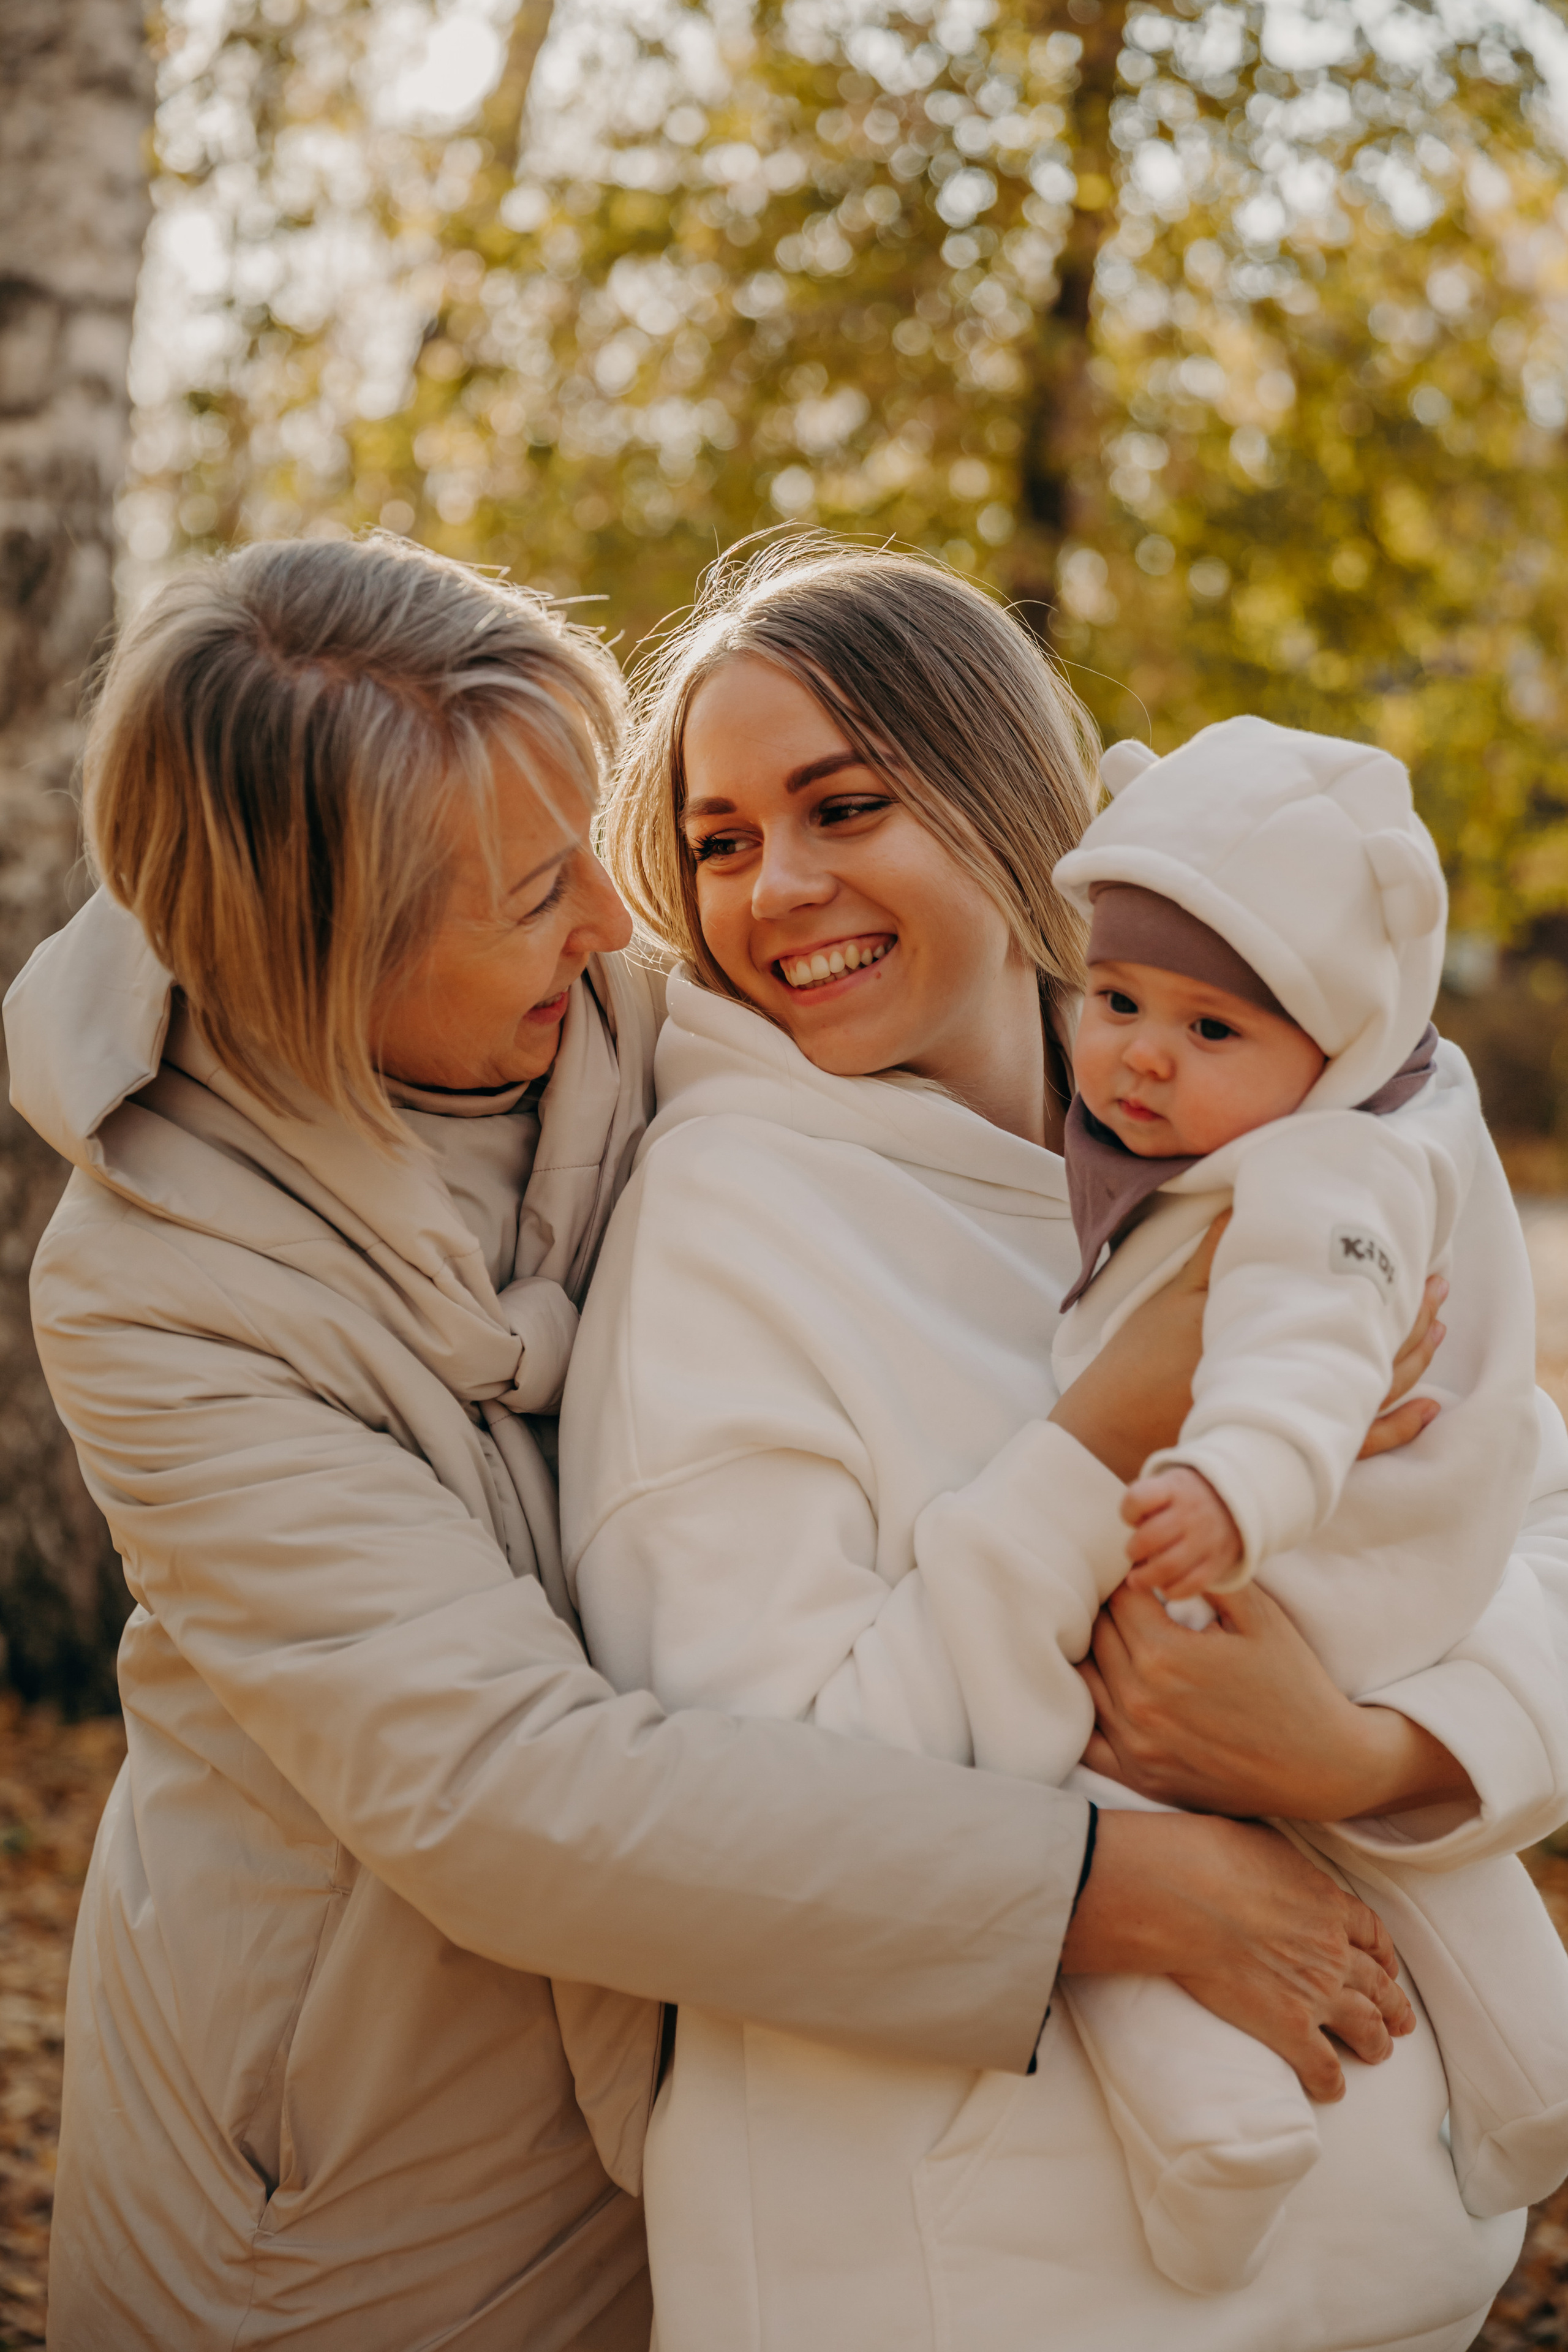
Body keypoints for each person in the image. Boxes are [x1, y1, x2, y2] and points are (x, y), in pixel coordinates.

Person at [4, 532, 1433, 2352]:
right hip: (367, 2174)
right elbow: (508, 1791)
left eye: (600, 843)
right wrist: (1113, 1887)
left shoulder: (623, 1027)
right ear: (324, 959)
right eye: (536, 896)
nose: (627, 928)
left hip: (750, 2092)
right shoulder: (163, 1287)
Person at [564, 535, 1568, 2352]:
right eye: (718, 842)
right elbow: (749, 1818)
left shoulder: (1267, 1131)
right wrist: (1101, 1440)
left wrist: (1362, 1751)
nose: (774, 887)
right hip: (975, 2293)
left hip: (1390, 2276)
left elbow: (1535, 1531)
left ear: (1016, 807)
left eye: (842, 806)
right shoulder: (724, 1218)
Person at [1044, 715, 1568, 2295]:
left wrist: (1229, 1482)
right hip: (1344, 1595)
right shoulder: (1261, 1131)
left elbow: (1302, 1353)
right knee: (1405, 1861)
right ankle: (1535, 2082)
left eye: (1213, 1033)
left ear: (1328, 1044)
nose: (1142, 1055)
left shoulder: (1328, 1169)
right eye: (1118, 1001)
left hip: (1291, 1573)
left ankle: (1211, 2127)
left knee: (1093, 1783)